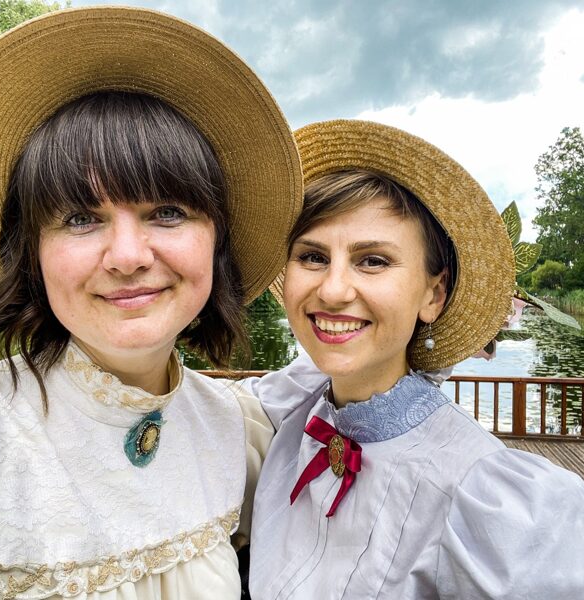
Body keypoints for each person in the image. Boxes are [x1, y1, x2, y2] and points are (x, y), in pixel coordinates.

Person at [0, 7, 324, 599]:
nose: (126, 256)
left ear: (217, 241)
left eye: (167, 212)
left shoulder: (235, 429)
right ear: (30, 251)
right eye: (80, 218)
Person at [249, 120, 584, 599]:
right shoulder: (285, 414)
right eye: (312, 257)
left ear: (433, 294)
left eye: (373, 260)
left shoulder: (478, 491)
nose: (333, 290)